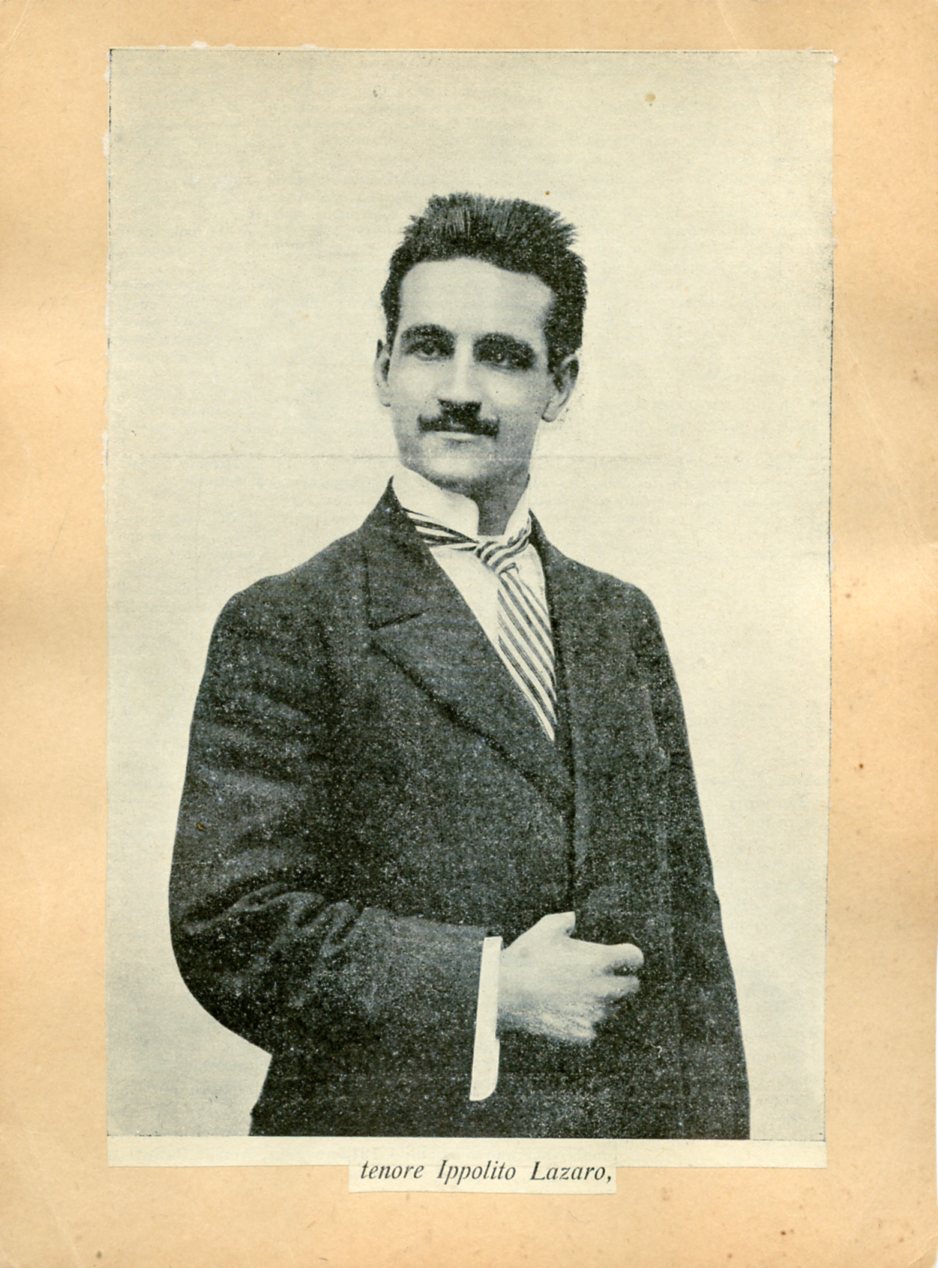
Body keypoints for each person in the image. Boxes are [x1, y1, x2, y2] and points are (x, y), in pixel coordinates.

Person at [169, 192, 749, 1139]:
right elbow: (232, 926)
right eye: (430, 347)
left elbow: (692, 944)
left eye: (504, 356)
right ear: (384, 368)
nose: (460, 390)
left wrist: (718, 1180)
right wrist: (489, 989)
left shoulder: (620, 621)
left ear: (561, 384)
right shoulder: (288, 620)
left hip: (619, 1176)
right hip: (389, 1157)